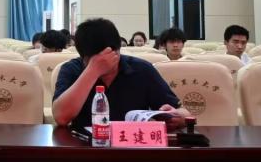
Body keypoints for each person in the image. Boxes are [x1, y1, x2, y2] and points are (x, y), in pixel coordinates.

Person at [52, 18, 187, 129]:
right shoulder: (70, 69)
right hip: (85, 146)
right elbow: (61, 117)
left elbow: (184, 113)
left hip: (132, 146)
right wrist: (93, 71)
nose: (105, 63)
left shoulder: (142, 69)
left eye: (110, 56)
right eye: (98, 60)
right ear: (84, 57)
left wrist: (178, 117)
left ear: (117, 50)